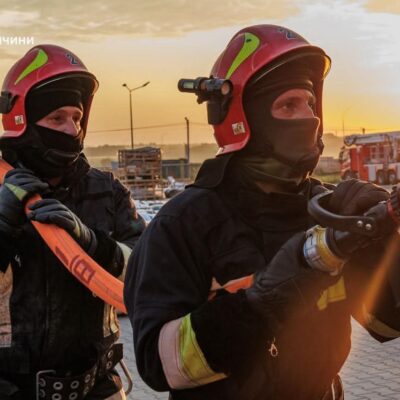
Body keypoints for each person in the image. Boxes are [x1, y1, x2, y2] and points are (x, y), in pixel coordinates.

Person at [124, 24, 400, 400]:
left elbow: (387, 325)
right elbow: (161, 367)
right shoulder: (182, 224)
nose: (309, 118)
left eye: (310, 103)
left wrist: (382, 244)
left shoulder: (327, 211)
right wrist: (260, 305)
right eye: (288, 105)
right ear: (243, 117)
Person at [0, 45, 145, 399]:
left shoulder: (107, 191)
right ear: (22, 122)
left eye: (77, 117)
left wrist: (95, 245)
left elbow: (150, 273)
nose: (72, 129)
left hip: (98, 388)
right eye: (57, 118)